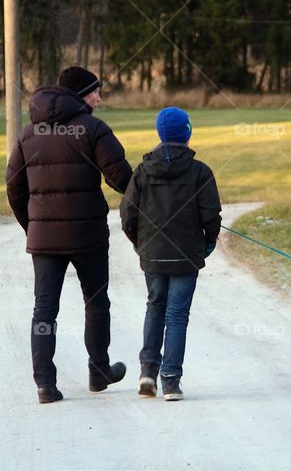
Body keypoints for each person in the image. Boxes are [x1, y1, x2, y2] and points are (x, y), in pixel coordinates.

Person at [6, 66, 132, 404]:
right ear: (79, 95)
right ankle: (99, 371)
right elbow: (121, 179)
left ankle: (45, 384)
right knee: (96, 302)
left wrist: (32, 226)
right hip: (87, 233)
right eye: (94, 91)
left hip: (45, 238)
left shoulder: (28, 133)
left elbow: (13, 186)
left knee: (44, 310)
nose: (99, 97)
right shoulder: (93, 128)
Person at [119, 107, 222, 401]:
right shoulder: (200, 172)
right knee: (176, 315)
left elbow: (127, 214)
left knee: (155, 307)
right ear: (187, 133)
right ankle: (171, 381)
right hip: (186, 256)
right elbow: (211, 215)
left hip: (152, 254)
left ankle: (148, 372)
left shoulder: (142, 171)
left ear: (159, 135)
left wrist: (140, 243)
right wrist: (209, 243)